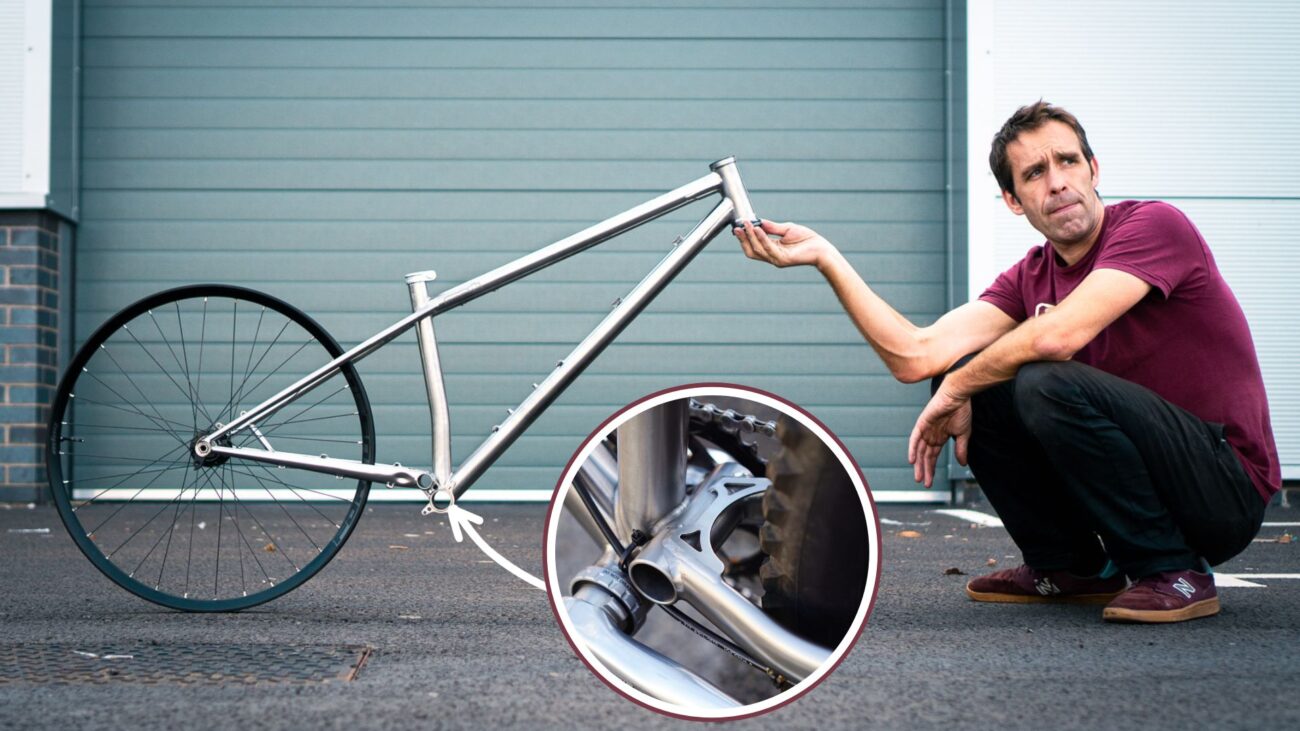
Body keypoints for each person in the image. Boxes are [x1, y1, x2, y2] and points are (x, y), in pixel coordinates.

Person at [733, 101, 1280, 624]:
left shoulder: (1153, 227)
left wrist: (958, 384)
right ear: (1015, 200)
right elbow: (915, 354)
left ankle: (1173, 569)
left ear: (1093, 169)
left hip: (1222, 486)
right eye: (1035, 173)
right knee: (981, 388)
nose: (1058, 181)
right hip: (1152, 480)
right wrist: (827, 258)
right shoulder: (1031, 276)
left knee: (1034, 380)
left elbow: (1057, 337)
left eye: (1068, 162)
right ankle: (1069, 567)